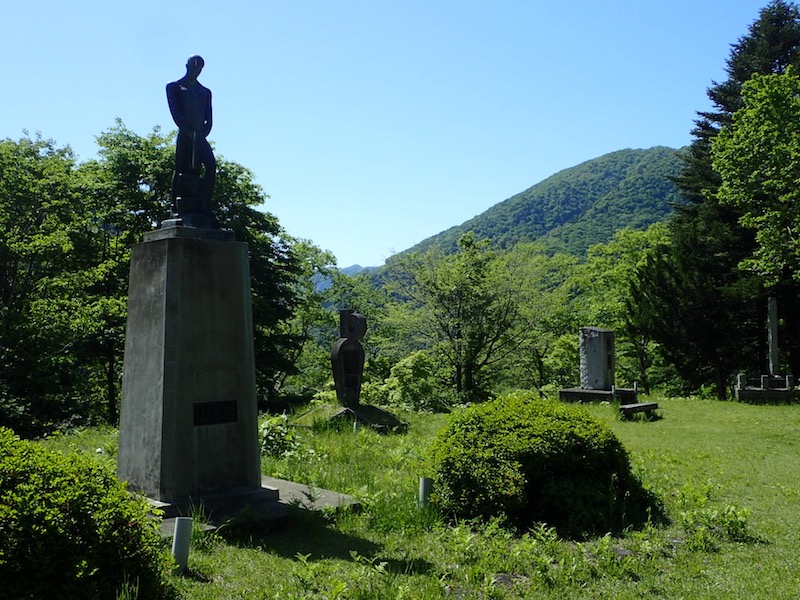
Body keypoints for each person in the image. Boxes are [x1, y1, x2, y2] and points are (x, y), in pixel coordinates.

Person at [166, 55, 216, 212]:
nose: (196, 70)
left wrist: (201, 135)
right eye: (193, 66)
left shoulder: (205, 92)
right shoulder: (174, 87)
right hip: (186, 134)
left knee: (210, 165)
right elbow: (176, 114)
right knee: (180, 168)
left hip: (200, 136)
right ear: (187, 66)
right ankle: (175, 206)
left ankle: (205, 205)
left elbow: (209, 117)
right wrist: (189, 133)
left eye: (199, 68)